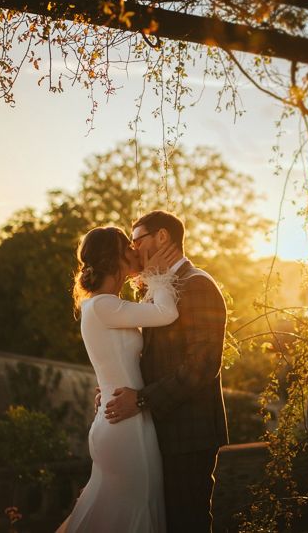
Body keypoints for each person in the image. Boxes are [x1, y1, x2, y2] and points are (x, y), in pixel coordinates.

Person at [105, 211, 229, 532]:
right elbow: (152, 359)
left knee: (187, 522)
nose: (132, 250)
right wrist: (114, 389)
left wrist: (143, 400)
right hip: (163, 431)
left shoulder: (197, 285)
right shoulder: (160, 287)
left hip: (189, 434)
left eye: (137, 240)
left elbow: (202, 366)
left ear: (162, 237)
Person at [57, 226, 181, 533]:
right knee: (135, 512)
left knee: (114, 514)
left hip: (120, 417)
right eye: (128, 245)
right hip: (126, 427)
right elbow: (167, 313)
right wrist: (159, 274)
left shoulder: (106, 305)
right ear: (115, 257)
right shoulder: (103, 305)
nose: (135, 250)